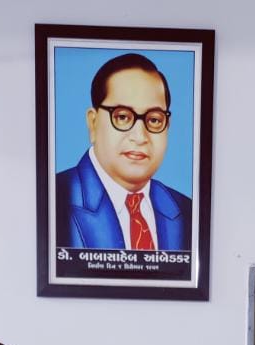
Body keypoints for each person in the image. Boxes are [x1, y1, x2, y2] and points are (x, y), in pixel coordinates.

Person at [55, 52, 192, 252]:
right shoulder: (54, 199)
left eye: (154, 120)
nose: (140, 136)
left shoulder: (188, 211)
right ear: (93, 123)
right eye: (122, 117)